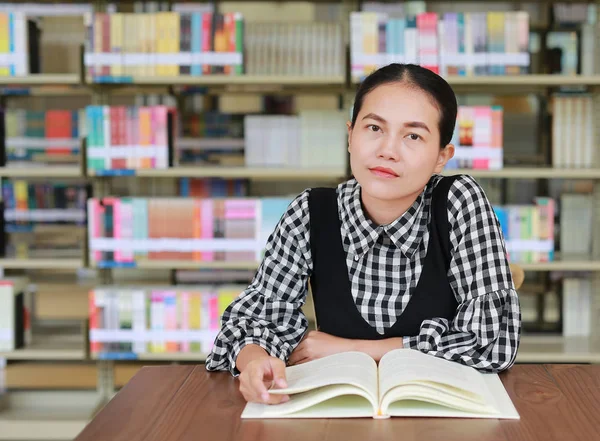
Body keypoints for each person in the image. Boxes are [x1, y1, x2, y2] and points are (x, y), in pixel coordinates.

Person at [205, 63, 522, 405]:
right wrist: (254, 360)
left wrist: (356, 350)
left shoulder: (459, 201)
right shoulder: (311, 212)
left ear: (441, 157)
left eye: (413, 136)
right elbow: (254, 319)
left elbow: (494, 340)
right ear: (350, 136)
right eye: (374, 127)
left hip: (440, 414)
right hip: (337, 411)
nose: (388, 150)